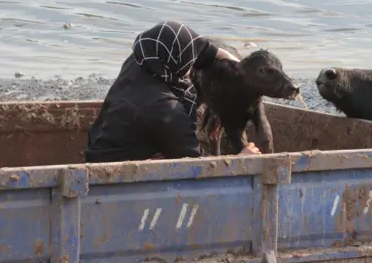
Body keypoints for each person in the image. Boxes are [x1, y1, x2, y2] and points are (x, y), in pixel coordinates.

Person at [84, 20, 261, 163]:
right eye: (190, 61)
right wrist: (241, 159)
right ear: (178, 63)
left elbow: (202, 47)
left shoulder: (143, 57)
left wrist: (236, 67)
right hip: (119, 168)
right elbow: (194, 162)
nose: (193, 64)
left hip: (99, 146)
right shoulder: (166, 109)